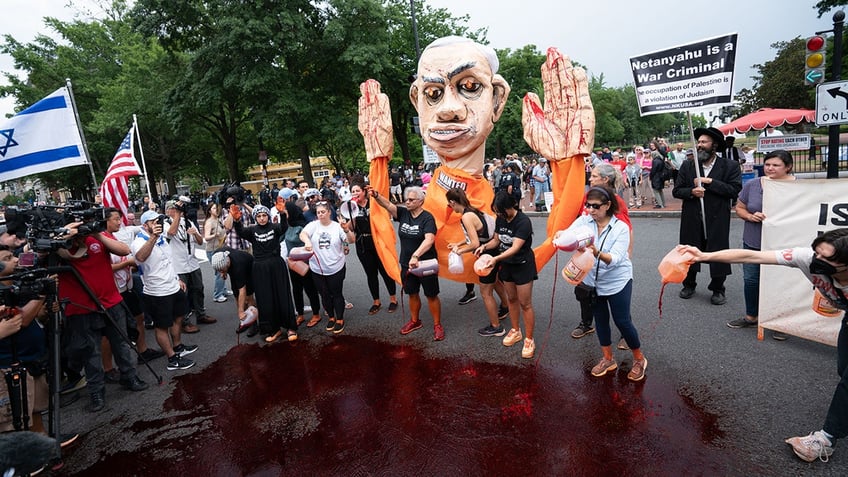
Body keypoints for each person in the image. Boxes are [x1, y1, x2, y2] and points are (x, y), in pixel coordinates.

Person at [678, 228, 848, 464]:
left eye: (826, 259)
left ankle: (826, 440)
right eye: (816, 252)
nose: (816, 260)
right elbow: (752, 257)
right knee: (843, 371)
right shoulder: (806, 258)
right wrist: (704, 256)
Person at [58, 212, 149, 412]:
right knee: (91, 352)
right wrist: (65, 235)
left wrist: (97, 234)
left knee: (122, 344)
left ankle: (130, 377)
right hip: (81, 307)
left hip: (111, 301)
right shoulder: (59, 245)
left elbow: (124, 249)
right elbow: (33, 254)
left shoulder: (97, 237)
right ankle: (96, 392)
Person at [556, 185, 647, 380]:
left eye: (596, 206)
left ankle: (639, 359)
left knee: (623, 321)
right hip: (592, 282)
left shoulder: (620, 228)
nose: (591, 210)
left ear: (607, 205)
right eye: (588, 205)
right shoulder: (584, 221)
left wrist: (596, 252)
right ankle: (608, 358)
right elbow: (569, 234)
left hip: (617, 281)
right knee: (601, 321)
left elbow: (615, 259)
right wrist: (561, 235)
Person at [726, 150, 796, 340]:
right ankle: (751, 316)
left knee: (780, 282)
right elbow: (739, 207)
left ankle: (781, 322)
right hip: (753, 241)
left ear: (788, 167)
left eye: (776, 165)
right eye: (767, 164)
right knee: (751, 280)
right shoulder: (753, 184)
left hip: (782, 244)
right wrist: (750, 216)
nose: (770, 168)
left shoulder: (798, 188)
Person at [672, 126, 742, 305]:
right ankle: (689, 284)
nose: (700, 145)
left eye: (704, 142)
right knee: (689, 252)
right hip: (692, 218)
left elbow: (734, 190)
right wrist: (692, 192)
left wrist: (710, 182)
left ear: (715, 145)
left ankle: (718, 288)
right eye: (699, 142)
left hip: (717, 218)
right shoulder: (688, 165)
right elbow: (677, 191)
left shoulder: (730, 166)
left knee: (718, 253)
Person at [572, 163, 633, 352]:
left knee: (618, 305)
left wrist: (624, 255)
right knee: (584, 293)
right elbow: (577, 223)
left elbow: (626, 230)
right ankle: (586, 323)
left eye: (594, 176)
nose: (590, 178)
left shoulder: (615, 202)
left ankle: (626, 334)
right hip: (586, 260)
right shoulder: (587, 197)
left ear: (605, 179)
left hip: (607, 260)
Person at [371, 186, 444, 341]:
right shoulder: (403, 213)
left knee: (431, 295)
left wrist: (416, 255)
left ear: (421, 201)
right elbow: (388, 205)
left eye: (411, 200)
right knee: (412, 292)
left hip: (425, 264)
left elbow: (429, 240)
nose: (407, 202)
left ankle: (437, 325)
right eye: (407, 199)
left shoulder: (427, 218)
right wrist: (376, 195)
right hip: (406, 263)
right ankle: (415, 321)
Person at [131, 210, 198, 372]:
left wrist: (177, 278)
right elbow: (139, 258)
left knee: (179, 316)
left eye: (159, 221)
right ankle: (172, 358)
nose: (157, 224)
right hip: (157, 291)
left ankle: (178, 346)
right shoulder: (139, 241)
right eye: (153, 222)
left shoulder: (161, 238)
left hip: (172, 285)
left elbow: (168, 261)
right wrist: (153, 237)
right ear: (145, 225)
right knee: (162, 326)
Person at [476, 191, 537, 359]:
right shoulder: (501, 218)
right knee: (511, 299)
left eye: (500, 210)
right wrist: (485, 247)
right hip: (507, 264)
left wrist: (495, 259)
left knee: (525, 303)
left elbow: (515, 248)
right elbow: (497, 240)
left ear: (511, 206)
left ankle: (529, 339)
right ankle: (515, 330)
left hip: (523, 265)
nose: (498, 214)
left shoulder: (523, 222)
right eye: (496, 211)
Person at [446, 187, 510, 336]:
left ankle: (496, 327)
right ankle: (505, 307)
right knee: (495, 282)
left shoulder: (466, 217)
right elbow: (474, 234)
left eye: (449, 204)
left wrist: (459, 251)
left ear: (452, 202)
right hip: (492, 249)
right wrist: (459, 244)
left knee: (485, 292)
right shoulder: (472, 210)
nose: (449, 207)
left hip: (486, 253)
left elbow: (474, 243)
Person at [233, 205, 297, 342]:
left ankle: (290, 327)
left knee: (283, 296)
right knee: (265, 299)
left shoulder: (275, 227)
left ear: (268, 216)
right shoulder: (252, 230)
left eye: (264, 215)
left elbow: (284, 227)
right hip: (260, 268)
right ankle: (274, 329)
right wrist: (236, 221)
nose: (262, 218)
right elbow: (240, 232)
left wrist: (283, 214)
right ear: (255, 217)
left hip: (276, 265)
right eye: (259, 216)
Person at [301, 201, 353, 334]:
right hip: (317, 268)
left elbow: (351, 240)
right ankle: (331, 317)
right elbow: (303, 234)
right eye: (318, 212)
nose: (320, 215)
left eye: (323, 212)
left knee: (336, 293)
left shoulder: (337, 226)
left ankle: (340, 319)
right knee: (324, 294)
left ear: (329, 212)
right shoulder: (313, 225)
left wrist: (346, 230)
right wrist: (307, 241)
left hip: (335, 266)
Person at [347, 181, 398, 314]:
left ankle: (393, 299)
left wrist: (375, 195)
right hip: (363, 244)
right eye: (352, 191)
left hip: (378, 241)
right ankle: (376, 301)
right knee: (371, 274)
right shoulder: (351, 207)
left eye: (357, 190)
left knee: (385, 271)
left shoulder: (374, 203)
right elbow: (351, 227)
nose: (355, 194)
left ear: (364, 191)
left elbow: (385, 210)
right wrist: (348, 219)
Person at [165, 199, 216, 331]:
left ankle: (201, 314)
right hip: (178, 265)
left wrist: (195, 233)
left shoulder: (187, 221)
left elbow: (199, 242)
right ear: (168, 211)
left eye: (177, 209)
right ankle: (184, 322)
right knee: (183, 294)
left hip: (193, 263)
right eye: (173, 209)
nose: (177, 211)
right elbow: (171, 233)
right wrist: (177, 215)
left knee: (199, 289)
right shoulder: (166, 223)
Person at [210, 248, 256, 334]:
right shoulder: (217, 255)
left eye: (222, 270)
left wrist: (240, 311)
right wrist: (223, 272)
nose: (221, 272)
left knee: (248, 296)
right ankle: (245, 320)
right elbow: (238, 293)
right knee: (235, 293)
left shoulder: (238, 266)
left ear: (227, 264)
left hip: (249, 268)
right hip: (232, 267)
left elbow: (242, 290)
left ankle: (253, 322)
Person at [202, 202, 228, 303]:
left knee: (222, 270)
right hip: (212, 250)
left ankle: (223, 290)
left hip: (220, 248)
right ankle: (217, 295)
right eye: (213, 208)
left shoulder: (218, 219)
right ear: (209, 211)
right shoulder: (209, 222)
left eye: (217, 208)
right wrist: (215, 235)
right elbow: (206, 237)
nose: (216, 210)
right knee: (219, 272)